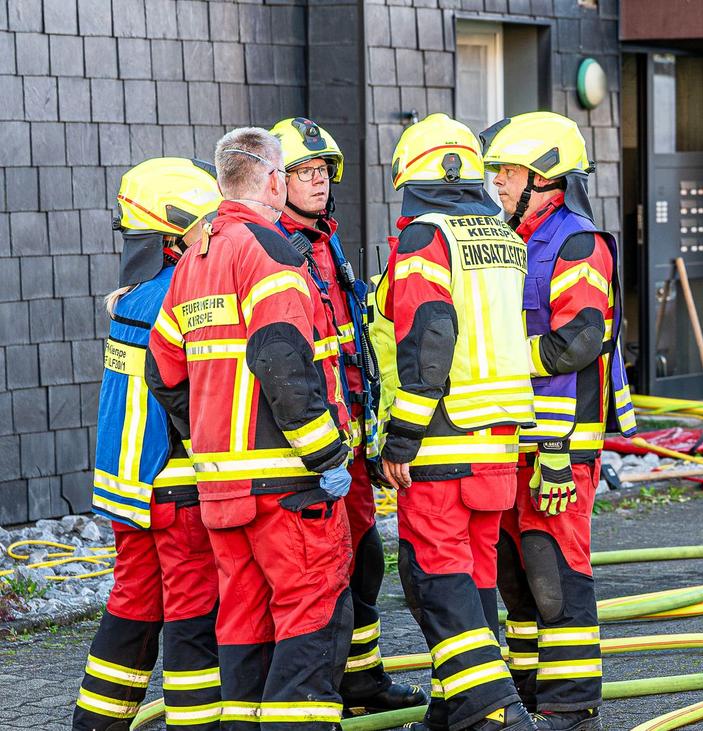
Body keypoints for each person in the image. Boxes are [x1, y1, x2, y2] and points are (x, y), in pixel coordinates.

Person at [146, 127, 355, 729]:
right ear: (270, 181)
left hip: (221, 488)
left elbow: (163, 366)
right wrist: (327, 455)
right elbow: (281, 356)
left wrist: (208, 434)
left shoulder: (195, 259)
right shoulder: (270, 250)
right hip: (287, 484)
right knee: (313, 611)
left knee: (242, 618)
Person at [379, 113, 538, 731]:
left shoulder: (425, 238)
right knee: (474, 580)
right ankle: (452, 714)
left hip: (444, 437)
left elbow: (429, 336)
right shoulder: (501, 236)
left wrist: (402, 433)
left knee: (436, 579)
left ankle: (493, 714)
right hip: (499, 438)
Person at [481, 111, 637, 731]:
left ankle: (572, 706)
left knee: (554, 570)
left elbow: (578, 341)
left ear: (546, 180)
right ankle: (526, 692)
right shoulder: (505, 239)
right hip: (509, 439)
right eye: (497, 173)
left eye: (510, 173)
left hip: (560, 445)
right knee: (513, 578)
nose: (499, 185)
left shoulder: (577, 243)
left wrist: (494, 359)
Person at [268, 117, 427, 716]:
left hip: (351, 445)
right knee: (324, 580)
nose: (315, 182)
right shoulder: (278, 249)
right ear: (274, 180)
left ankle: (360, 682)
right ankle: (320, 692)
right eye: (301, 172)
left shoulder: (325, 242)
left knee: (361, 566)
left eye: (321, 172)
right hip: (310, 453)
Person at [73, 158, 223, 731]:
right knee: (193, 614)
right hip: (174, 486)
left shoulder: (133, 296)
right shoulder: (183, 293)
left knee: (133, 607)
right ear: (178, 232)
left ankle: (96, 724)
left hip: (126, 489)